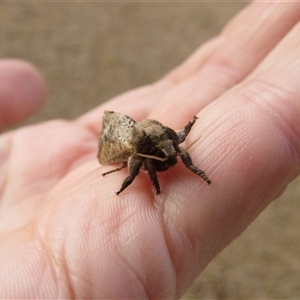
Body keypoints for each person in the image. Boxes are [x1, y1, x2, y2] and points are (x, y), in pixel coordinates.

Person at [1, 2, 300, 298]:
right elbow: (144, 167)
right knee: (136, 165)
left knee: (171, 155)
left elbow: (180, 141)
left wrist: (193, 147)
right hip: (131, 143)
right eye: (165, 155)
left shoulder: (172, 146)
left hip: (151, 132)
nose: (171, 157)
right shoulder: (141, 156)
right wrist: (146, 188)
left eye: (171, 151)